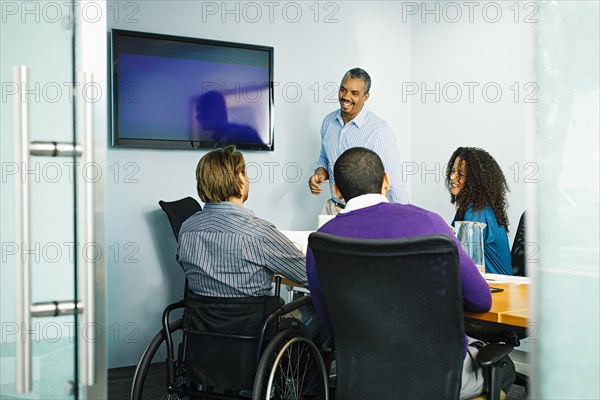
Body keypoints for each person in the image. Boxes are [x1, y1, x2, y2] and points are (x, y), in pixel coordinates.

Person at [305, 147, 515, 399]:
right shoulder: (430, 223)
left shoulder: (320, 241)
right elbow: (481, 299)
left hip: (364, 379)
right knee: (504, 368)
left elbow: (331, 321)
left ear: (336, 190)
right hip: (436, 378)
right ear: (386, 180)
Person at [177, 146, 320, 333]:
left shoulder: (187, 228)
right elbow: (311, 276)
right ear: (239, 180)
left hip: (203, 333)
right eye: (244, 173)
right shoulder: (259, 232)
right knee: (318, 304)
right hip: (253, 334)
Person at [308, 67, 409, 214]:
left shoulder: (379, 131)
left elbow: (394, 184)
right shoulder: (328, 122)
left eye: (354, 93)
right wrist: (319, 174)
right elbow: (324, 158)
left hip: (364, 214)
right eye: (343, 90)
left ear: (366, 97)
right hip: (332, 209)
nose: (346, 97)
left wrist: (406, 220)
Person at [445, 147, 513, 275]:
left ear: (475, 181)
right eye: (453, 171)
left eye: (460, 174)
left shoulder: (477, 213)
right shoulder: (471, 208)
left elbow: (463, 263)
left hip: (496, 289)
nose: (452, 177)